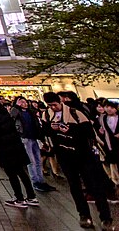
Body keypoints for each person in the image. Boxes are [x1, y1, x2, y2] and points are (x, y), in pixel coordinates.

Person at [42, 92, 113, 230]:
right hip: (64, 156)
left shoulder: (75, 113)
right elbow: (44, 132)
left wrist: (71, 130)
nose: (53, 107)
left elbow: (89, 133)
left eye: (55, 104)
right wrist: (51, 129)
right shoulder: (47, 115)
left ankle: (105, 217)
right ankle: (84, 215)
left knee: (94, 186)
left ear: (60, 101)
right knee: (75, 187)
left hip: (83, 155)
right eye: (50, 105)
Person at [0, 94, 38, 208]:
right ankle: (31, 196)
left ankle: (19, 198)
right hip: (15, 144)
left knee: (11, 173)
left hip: (5, 146)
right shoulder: (1, 109)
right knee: (21, 171)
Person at [11, 96, 56, 192]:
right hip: (25, 138)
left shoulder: (31, 112)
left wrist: (41, 138)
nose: (24, 103)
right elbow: (12, 117)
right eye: (21, 102)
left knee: (38, 161)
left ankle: (41, 181)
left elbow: (37, 124)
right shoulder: (16, 111)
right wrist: (16, 106)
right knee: (31, 162)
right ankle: (35, 182)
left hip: (34, 138)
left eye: (25, 101)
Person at [98, 100, 119, 188]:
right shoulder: (103, 118)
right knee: (113, 162)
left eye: (112, 107)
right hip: (110, 143)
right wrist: (101, 132)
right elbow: (103, 130)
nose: (109, 109)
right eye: (107, 107)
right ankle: (116, 181)